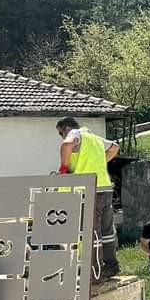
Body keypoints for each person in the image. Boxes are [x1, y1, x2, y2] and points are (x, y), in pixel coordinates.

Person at [56, 117, 120, 282]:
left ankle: (94, 273)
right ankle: (111, 266)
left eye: (60, 133)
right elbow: (115, 147)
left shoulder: (75, 134)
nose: (61, 137)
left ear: (66, 129)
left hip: (89, 190)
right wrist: (101, 161)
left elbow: (66, 145)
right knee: (107, 232)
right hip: (105, 188)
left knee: (91, 232)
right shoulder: (95, 139)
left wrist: (63, 168)